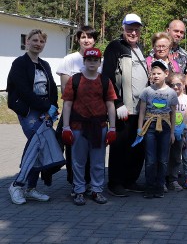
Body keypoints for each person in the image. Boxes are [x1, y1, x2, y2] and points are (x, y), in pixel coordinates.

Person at [7, 29, 59, 205]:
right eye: (34, 40)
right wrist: (46, 106)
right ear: (27, 41)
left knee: (37, 146)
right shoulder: (19, 63)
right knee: (38, 143)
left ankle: (30, 188)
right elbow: (23, 90)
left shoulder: (45, 64)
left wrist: (53, 107)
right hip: (29, 111)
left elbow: (52, 87)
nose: (38, 43)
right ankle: (17, 185)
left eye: (41, 41)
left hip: (45, 110)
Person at [61, 48, 117, 205]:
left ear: (99, 63)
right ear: (84, 61)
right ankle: (79, 190)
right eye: (89, 60)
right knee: (78, 161)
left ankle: (97, 190)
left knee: (98, 161)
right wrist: (66, 127)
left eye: (95, 60)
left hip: (99, 127)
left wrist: (112, 128)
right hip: (78, 126)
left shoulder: (105, 81)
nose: (92, 63)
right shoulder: (75, 80)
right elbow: (67, 104)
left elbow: (110, 105)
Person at [102, 13, 149, 197]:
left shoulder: (141, 48)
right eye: (130, 28)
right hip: (123, 109)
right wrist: (117, 102)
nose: (133, 32)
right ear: (123, 28)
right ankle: (115, 183)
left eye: (136, 29)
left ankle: (131, 180)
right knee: (120, 146)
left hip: (141, 109)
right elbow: (107, 77)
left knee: (138, 147)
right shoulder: (115, 47)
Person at [56, 25, 100, 193]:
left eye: (90, 37)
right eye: (83, 37)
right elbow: (66, 89)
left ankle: (89, 183)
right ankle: (75, 182)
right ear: (78, 40)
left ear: (95, 40)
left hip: (94, 114)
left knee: (92, 148)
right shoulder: (69, 59)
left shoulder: (98, 60)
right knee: (73, 149)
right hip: (74, 112)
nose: (86, 40)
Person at [138, 60, 178, 198]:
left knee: (163, 158)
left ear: (166, 74)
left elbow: (173, 114)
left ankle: (160, 186)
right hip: (149, 125)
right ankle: (149, 187)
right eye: (153, 73)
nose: (156, 76)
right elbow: (142, 111)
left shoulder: (172, 93)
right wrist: (139, 129)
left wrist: (172, 132)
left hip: (165, 126)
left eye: (159, 73)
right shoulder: (147, 91)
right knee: (150, 159)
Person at [166, 72, 187, 192]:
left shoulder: (186, 99)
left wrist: (182, 128)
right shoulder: (167, 96)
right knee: (165, 155)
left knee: (176, 156)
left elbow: (186, 114)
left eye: (178, 84)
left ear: (184, 85)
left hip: (180, 132)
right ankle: (163, 179)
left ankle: (173, 179)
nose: (175, 87)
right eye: (172, 85)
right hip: (167, 131)